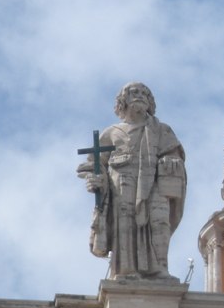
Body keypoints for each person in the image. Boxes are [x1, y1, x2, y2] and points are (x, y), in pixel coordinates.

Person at [78, 82, 186, 281]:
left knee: (159, 221)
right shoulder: (111, 133)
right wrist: (96, 179)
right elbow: (95, 164)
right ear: (123, 100)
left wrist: (171, 161)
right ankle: (126, 271)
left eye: (145, 93)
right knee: (125, 225)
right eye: (134, 92)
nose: (140, 95)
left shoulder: (161, 130)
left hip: (155, 183)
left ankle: (159, 268)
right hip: (122, 183)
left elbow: (175, 155)